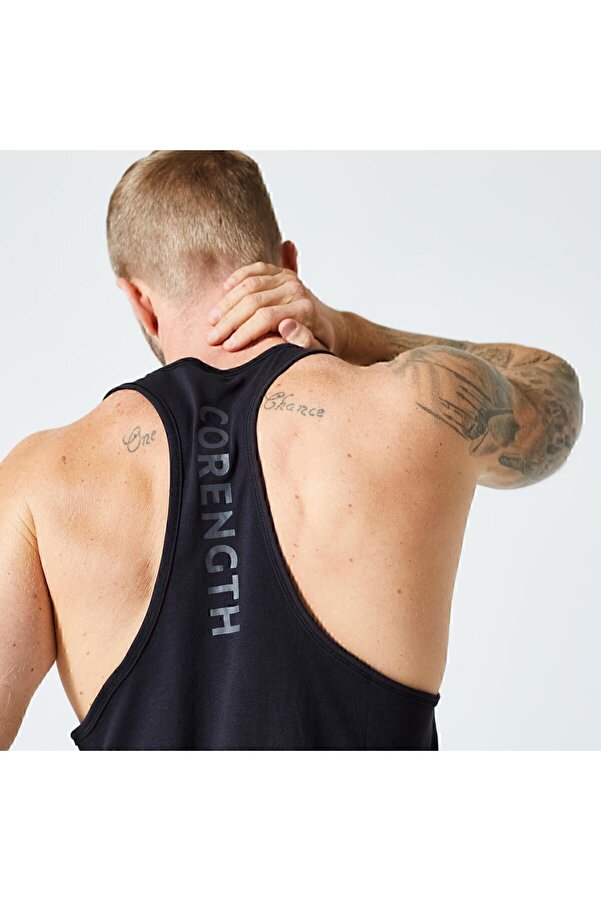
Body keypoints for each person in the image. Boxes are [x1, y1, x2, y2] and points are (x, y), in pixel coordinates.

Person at [0, 151, 584, 750]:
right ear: (288, 264)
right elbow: (554, 396)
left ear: (140, 301)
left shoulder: (41, 483)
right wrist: (353, 332)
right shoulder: (411, 408)